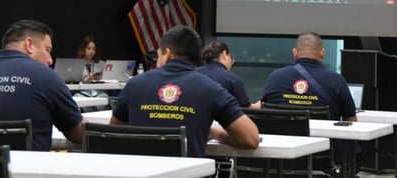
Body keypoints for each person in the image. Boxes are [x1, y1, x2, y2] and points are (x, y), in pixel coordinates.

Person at [110, 25, 259, 157]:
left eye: (158, 54)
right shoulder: (211, 89)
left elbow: (114, 132)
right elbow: (250, 138)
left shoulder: (134, 85)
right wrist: (217, 134)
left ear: (167, 54)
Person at [261, 32, 359, 173]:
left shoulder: (275, 77)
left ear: (295, 53)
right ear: (322, 53)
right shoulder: (336, 80)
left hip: (281, 159)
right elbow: (351, 120)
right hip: (323, 160)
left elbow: (265, 110)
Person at [0, 19, 86, 151]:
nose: (50, 60)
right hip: (27, 169)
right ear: (29, 44)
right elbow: (78, 133)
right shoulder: (47, 77)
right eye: (47, 50)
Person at [197, 40, 261, 109]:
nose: (231, 62)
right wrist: (260, 104)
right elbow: (245, 108)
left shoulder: (192, 73)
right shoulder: (231, 79)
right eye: (231, 58)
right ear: (224, 54)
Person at [74, 35, 109, 110]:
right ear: (83, 49)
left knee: (105, 99)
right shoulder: (77, 64)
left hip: (99, 93)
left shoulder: (102, 64)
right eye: (88, 49)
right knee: (75, 100)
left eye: (94, 49)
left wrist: (101, 79)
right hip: (83, 93)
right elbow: (73, 82)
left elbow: (108, 80)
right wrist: (85, 80)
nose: (91, 51)